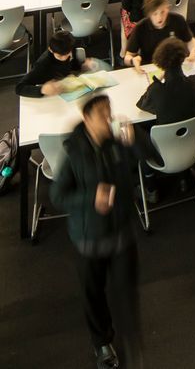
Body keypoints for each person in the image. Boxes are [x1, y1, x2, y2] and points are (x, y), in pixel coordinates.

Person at [49, 93, 143, 369]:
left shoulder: (116, 143)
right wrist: (91, 197)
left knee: (126, 290)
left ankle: (129, 339)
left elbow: (140, 165)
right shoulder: (74, 153)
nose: (108, 117)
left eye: (108, 111)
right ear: (87, 119)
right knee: (94, 293)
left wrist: (134, 144)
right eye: (101, 113)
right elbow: (57, 195)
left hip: (122, 233)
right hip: (89, 239)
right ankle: (102, 342)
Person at [135, 36, 195, 125]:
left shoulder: (156, 90)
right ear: (182, 58)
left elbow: (142, 104)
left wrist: (158, 79)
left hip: (167, 138)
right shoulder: (193, 82)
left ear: (160, 64)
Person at [124, 0, 195, 69]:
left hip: (177, 65)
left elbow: (189, 40)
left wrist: (193, 50)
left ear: (167, 8)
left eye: (163, 12)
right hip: (152, 67)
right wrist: (132, 60)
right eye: (155, 14)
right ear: (149, 14)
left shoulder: (178, 20)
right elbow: (128, 56)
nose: (159, 18)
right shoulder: (140, 28)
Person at [16, 29, 101, 97]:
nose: (65, 58)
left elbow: (73, 66)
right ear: (50, 50)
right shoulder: (42, 64)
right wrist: (42, 89)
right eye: (60, 56)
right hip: (53, 96)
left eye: (68, 54)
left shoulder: (69, 48)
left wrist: (82, 65)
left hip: (69, 89)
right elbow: (19, 88)